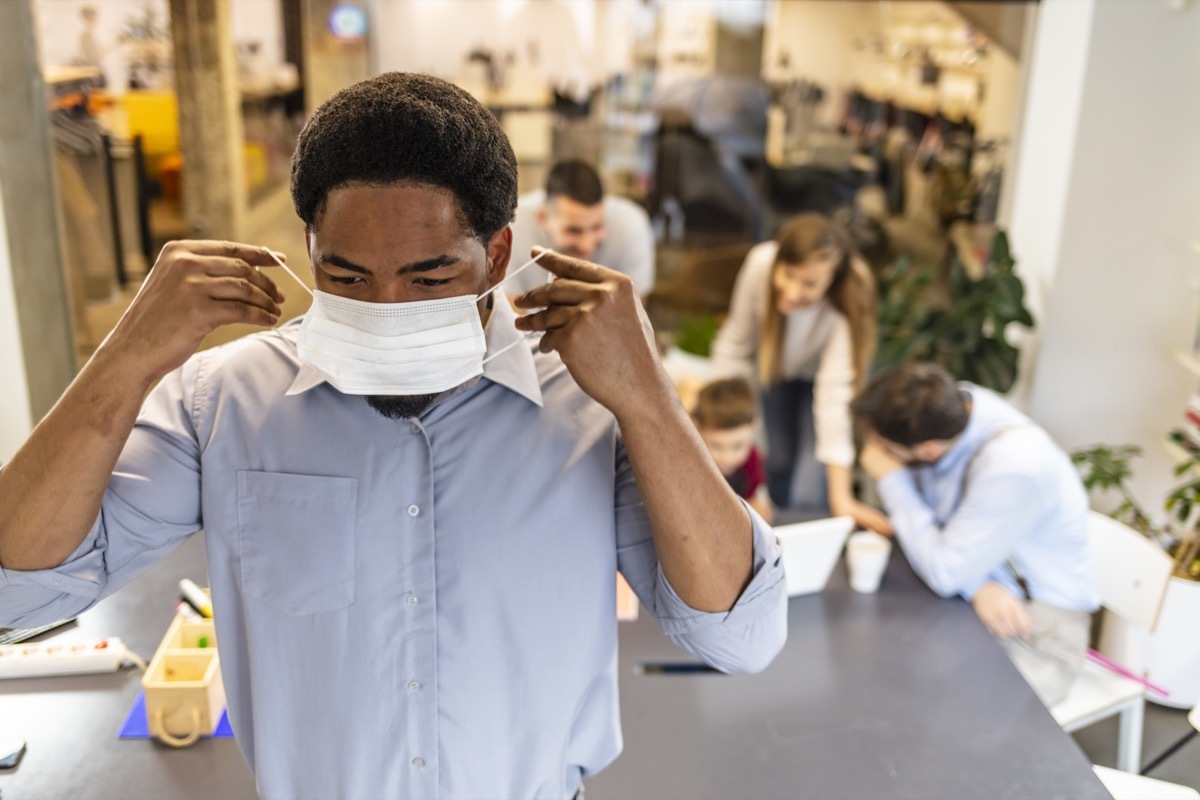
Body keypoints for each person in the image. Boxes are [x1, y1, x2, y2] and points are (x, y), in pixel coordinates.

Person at [0, 73, 786, 799]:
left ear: (497, 254)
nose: (386, 309)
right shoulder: (225, 403)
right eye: (347, 278)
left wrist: (648, 399)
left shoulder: (589, 405)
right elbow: (19, 587)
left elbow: (741, 635)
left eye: (429, 278)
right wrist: (125, 359)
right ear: (309, 248)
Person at [852, 363, 1099, 706]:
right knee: (871, 667)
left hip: (1036, 629)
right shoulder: (954, 408)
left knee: (933, 708)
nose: (874, 454)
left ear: (928, 450)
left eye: (884, 448)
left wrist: (893, 481)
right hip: (979, 596)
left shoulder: (1015, 467)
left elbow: (943, 571)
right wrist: (977, 584)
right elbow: (947, 557)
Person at [709, 213, 890, 534]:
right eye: (788, 275)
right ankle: (774, 546)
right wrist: (717, 412)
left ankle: (807, 548)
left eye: (809, 284)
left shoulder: (851, 292)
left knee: (811, 476)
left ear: (832, 280)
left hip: (827, 381)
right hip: (778, 370)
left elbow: (834, 397)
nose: (792, 292)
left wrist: (842, 499)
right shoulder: (759, 265)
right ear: (778, 261)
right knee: (777, 459)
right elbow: (736, 343)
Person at [505, 159, 655, 296]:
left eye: (597, 227)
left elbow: (634, 316)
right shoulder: (511, 226)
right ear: (543, 217)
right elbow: (507, 312)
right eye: (573, 231)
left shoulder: (631, 225)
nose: (587, 245)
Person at [691, 377, 774, 524]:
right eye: (716, 445)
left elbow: (760, 506)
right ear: (697, 428)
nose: (727, 458)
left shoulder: (753, 458)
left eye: (737, 446)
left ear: (754, 427)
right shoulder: (692, 465)